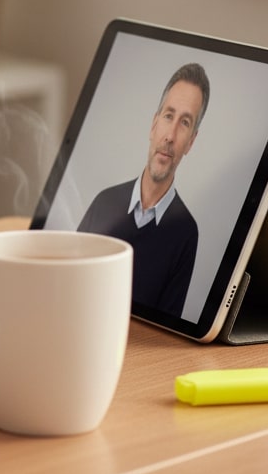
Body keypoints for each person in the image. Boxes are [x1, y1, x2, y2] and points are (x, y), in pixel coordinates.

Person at [77, 63, 209, 316]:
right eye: (169, 116)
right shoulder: (104, 202)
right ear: (153, 124)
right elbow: (67, 281)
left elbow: (163, 331)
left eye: (184, 122)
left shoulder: (186, 233)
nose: (170, 135)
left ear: (191, 142)